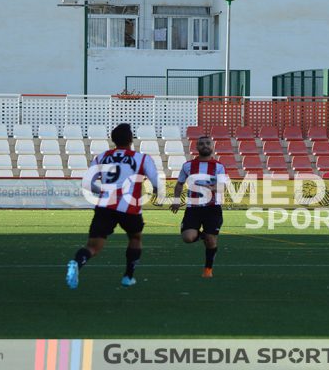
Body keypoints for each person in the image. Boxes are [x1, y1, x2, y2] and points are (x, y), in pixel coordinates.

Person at [66, 123, 160, 289]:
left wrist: (102, 190)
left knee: (93, 246)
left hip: (105, 206)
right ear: (131, 140)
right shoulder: (142, 158)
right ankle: (128, 277)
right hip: (129, 207)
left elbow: (87, 183)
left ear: (113, 139)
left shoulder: (102, 157)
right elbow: (155, 182)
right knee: (135, 238)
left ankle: (77, 262)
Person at [170, 135, 226, 278]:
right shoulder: (188, 166)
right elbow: (179, 184)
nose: (205, 146)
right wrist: (176, 200)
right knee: (188, 238)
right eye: (201, 144)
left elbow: (222, 186)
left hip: (212, 208)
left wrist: (211, 188)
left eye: (208, 143)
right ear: (196, 147)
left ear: (212, 146)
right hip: (193, 208)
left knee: (211, 241)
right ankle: (205, 236)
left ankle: (208, 270)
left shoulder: (219, 167)